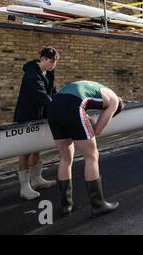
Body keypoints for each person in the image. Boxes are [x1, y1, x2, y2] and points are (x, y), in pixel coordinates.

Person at [47, 81, 124, 217]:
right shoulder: (114, 101)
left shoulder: (98, 88)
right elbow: (98, 130)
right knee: (92, 156)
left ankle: (66, 206)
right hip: (72, 105)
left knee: (65, 158)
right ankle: (98, 205)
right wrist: (93, 122)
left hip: (54, 105)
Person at [14, 47, 59, 200]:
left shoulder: (49, 73)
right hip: (26, 116)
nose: (53, 65)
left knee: (37, 148)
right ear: (43, 59)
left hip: (40, 116)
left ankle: (37, 179)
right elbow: (41, 95)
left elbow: (52, 92)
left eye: (55, 63)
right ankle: (24, 188)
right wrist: (55, 107)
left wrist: (60, 102)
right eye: (52, 62)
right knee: (25, 150)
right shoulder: (31, 74)